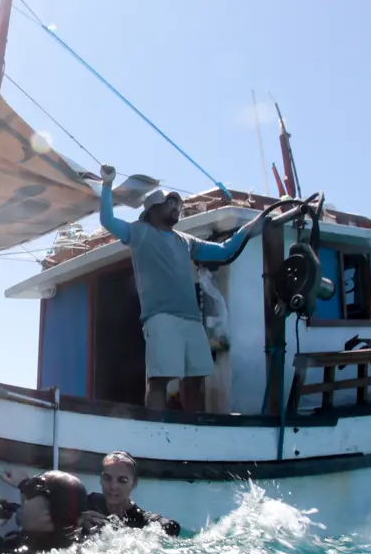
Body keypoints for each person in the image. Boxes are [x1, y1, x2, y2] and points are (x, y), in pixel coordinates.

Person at [99, 166, 262, 411]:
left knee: (195, 380)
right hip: (161, 318)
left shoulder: (185, 241)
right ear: (153, 209)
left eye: (178, 205)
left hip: (192, 321)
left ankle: (194, 428)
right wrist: (107, 184)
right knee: (159, 380)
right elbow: (107, 220)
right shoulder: (139, 232)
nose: (176, 207)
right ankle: (156, 428)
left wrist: (253, 226)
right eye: (170, 203)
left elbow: (225, 250)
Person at [0, 471, 87, 554]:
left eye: (33, 490)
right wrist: (24, 484)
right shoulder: (73, 548)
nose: (24, 495)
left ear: (46, 514)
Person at [82, 452, 181, 537]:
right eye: (107, 478)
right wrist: (77, 520)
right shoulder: (87, 503)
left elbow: (172, 527)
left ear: (134, 484)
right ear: (100, 479)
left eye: (122, 480)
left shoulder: (141, 520)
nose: (113, 486)